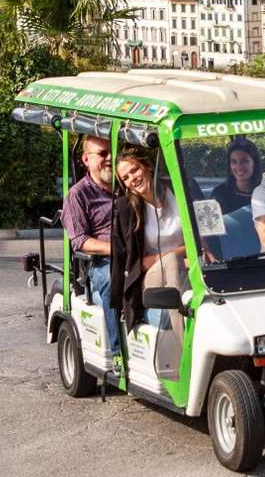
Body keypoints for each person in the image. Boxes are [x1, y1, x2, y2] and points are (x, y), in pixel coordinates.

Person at [59, 135, 120, 362]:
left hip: (139, 251)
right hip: (101, 262)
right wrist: (115, 249)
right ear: (86, 159)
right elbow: (80, 241)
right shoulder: (78, 194)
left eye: (112, 152)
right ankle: (118, 354)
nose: (110, 158)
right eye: (103, 154)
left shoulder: (126, 183)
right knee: (113, 281)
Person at [111, 147, 184, 332]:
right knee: (174, 262)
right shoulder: (126, 208)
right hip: (151, 277)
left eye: (134, 170)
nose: (132, 179)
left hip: (191, 266)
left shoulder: (179, 188)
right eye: (125, 178)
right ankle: (188, 353)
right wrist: (181, 254)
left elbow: (204, 234)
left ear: (148, 166)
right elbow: (138, 264)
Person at [211, 137, 264, 215]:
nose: (239, 167)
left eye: (244, 161)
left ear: (254, 163)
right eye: (234, 162)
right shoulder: (219, 194)